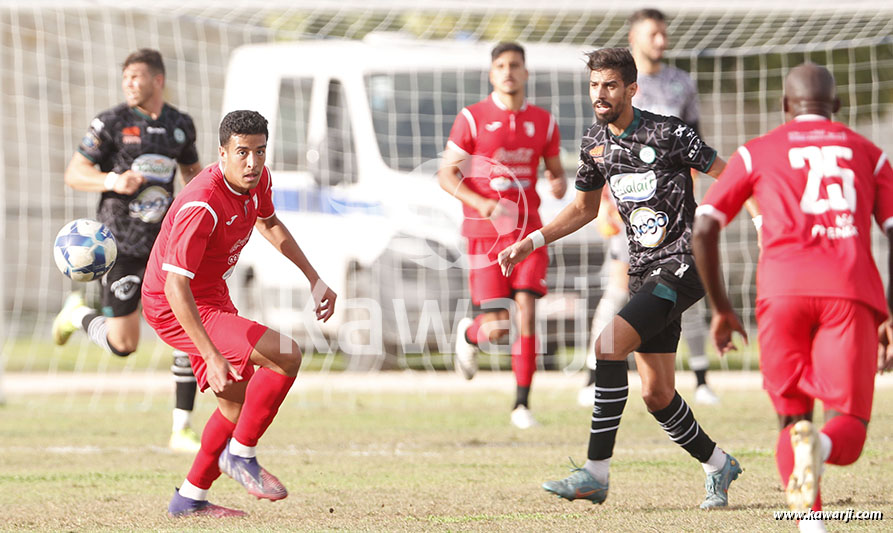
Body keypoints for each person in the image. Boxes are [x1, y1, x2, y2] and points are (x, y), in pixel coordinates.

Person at [498, 47, 755, 508]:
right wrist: (531, 241)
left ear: (631, 89)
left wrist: (758, 219)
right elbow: (582, 209)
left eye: (611, 85)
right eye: (595, 84)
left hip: (682, 263)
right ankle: (718, 464)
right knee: (657, 394)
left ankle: (595, 474)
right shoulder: (595, 144)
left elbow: (730, 173)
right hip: (641, 269)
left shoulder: (669, 131)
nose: (601, 93)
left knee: (607, 345)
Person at [692, 63, 893, 533]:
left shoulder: (755, 152)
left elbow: (704, 226)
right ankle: (820, 450)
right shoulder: (870, 154)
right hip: (849, 294)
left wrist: (721, 309)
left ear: (786, 107)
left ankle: (811, 524)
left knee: (792, 418)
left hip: (780, 294)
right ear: (837, 107)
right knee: (847, 425)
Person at [142, 110, 337, 517]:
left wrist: (314, 277)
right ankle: (240, 455)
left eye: (260, 152)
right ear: (222, 153)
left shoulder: (258, 179)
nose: (253, 162)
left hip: (209, 295)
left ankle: (189, 499)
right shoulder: (202, 204)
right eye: (243, 152)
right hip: (173, 304)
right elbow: (176, 287)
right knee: (286, 354)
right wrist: (211, 354)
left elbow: (269, 223)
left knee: (235, 403)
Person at [51, 49, 205, 452]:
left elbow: (191, 174)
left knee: (189, 329)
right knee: (124, 345)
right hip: (121, 247)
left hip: (168, 247)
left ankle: (181, 427)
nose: (129, 84)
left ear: (158, 79)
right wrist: (111, 181)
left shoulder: (179, 125)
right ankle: (77, 314)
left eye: (136, 77)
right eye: (125, 78)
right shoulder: (111, 123)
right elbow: (74, 174)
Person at [579, 8, 718, 408]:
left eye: (664, 34)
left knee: (681, 295)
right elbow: (605, 152)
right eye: (653, 33)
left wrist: (694, 202)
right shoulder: (612, 85)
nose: (661, 41)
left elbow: (695, 150)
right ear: (634, 36)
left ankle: (702, 377)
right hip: (628, 209)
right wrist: (604, 202)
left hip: (673, 210)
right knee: (618, 289)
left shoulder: (681, 84)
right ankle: (594, 374)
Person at [438, 42, 567, 429]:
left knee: (527, 310)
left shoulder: (543, 121)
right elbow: (447, 175)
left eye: (515, 65)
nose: (508, 71)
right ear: (492, 74)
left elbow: (555, 170)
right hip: (485, 236)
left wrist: (558, 182)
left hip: (529, 233)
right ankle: (472, 334)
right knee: (498, 327)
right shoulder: (473, 118)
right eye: (500, 65)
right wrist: (484, 205)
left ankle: (522, 405)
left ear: (526, 73)